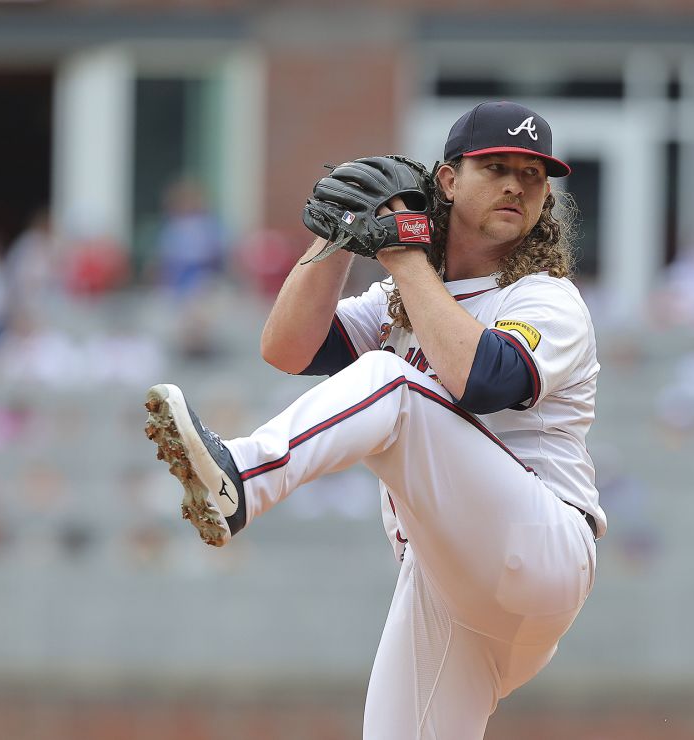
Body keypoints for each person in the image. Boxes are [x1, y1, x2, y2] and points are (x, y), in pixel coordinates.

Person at [144, 101, 605, 739]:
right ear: (447, 181)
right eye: (495, 166)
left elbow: (483, 379)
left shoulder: (546, 298)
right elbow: (287, 348)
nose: (515, 185)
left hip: (542, 547)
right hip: (451, 587)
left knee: (393, 384)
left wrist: (404, 255)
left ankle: (244, 478)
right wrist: (336, 238)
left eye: (532, 175)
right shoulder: (402, 301)